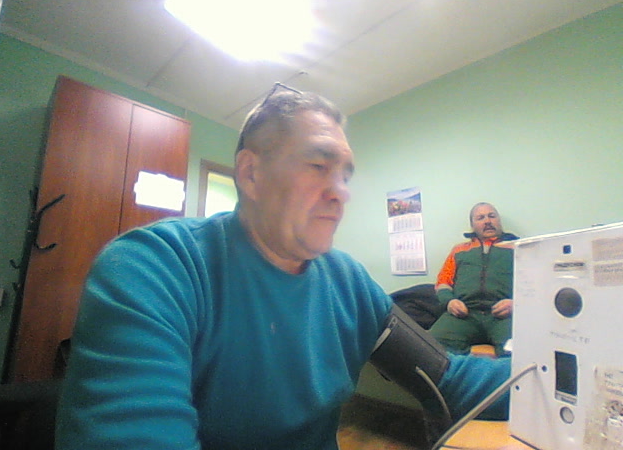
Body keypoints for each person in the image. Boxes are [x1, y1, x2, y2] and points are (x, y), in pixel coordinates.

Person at [56, 85, 510, 450]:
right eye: (317, 165)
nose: (341, 192)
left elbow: (449, 379)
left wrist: (552, 370)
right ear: (251, 174)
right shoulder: (154, 268)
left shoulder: (347, 282)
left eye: (345, 175)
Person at [430, 202, 519, 356]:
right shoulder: (459, 250)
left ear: (499, 221)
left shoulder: (518, 247)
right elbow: (443, 283)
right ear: (472, 225)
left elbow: (535, 284)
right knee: (430, 346)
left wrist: (516, 304)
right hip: (465, 313)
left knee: (520, 351)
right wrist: (450, 302)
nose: (487, 221)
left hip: (504, 314)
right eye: (480, 218)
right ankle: (475, 360)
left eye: (492, 216)